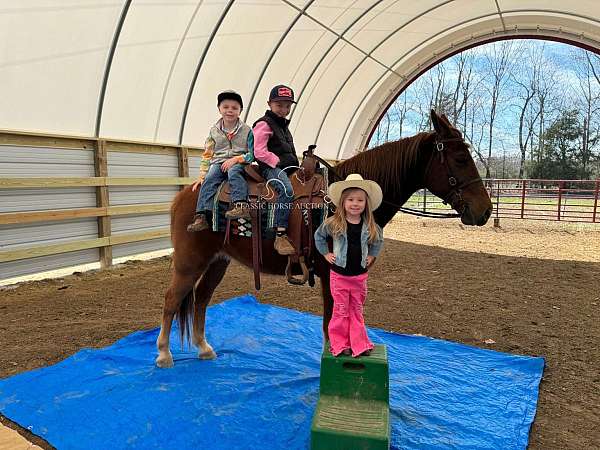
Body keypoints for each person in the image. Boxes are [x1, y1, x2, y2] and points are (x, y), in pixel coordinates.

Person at [314, 174, 384, 357]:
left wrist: (372, 255)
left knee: (356, 310)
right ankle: (339, 344)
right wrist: (325, 253)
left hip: (359, 277)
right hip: (339, 276)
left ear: (366, 203)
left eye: (360, 200)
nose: (355, 203)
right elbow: (319, 236)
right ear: (343, 203)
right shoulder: (334, 223)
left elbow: (378, 240)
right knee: (340, 310)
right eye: (351, 200)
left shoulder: (370, 225)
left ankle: (359, 344)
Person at [188, 90, 254, 232]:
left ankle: (241, 205)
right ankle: (202, 216)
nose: (230, 110)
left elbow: (252, 154)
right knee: (210, 178)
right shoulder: (213, 131)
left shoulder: (248, 130)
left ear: (240, 111)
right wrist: (202, 176)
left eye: (234, 108)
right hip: (218, 162)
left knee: (234, 172)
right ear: (219, 109)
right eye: (226, 107)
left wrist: (237, 159)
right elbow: (207, 154)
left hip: (239, 162)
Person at [252, 84, 299, 256]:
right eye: (279, 105)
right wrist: (277, 161)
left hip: (287, 167)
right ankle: (280, 233)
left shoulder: (283, 126)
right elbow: (259, 151)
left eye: (287, 106)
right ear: (269, 104)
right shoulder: (264, 124)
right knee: (286, 190)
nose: (284, 110)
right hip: (271, 168)